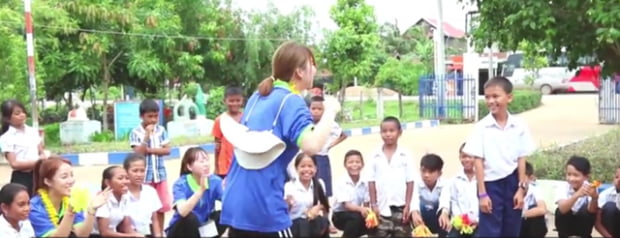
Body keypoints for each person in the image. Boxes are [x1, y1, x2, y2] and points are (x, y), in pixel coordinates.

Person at [219, 41, 340, 238]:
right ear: (300, 71)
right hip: (264, 207)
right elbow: (312, 146)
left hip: (236, 201)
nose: (315, 68)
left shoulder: (258, 96)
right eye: (311, 63)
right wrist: (331, 111)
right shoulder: (291, 102)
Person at [462, 76, 536, 237]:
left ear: (509, 97)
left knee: (511, 230)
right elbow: (478, 161)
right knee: (490, 232)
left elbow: (521, 158)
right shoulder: (481, 127)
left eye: (496, 96)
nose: (490, 101)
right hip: (490, 185)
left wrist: (521, 189)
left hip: (513, 182)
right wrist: (482, 194)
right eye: (487, 97)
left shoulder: (519, 125)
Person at [29, 156, 109, 238]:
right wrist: (70, 212)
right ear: (48, 181)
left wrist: (92, 210)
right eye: (64, 177)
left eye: (72, 175)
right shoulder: (34, 207)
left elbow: (82, 234)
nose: (71, 181)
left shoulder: (71, 200)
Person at [129, 98, 171, 233]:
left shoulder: (161, 130)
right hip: (144, 177)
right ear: (142, 116)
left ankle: (160, 233)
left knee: (161, 207)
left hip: (160, 175)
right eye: (150, 116)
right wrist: (146, 137)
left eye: (156, 116)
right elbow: (138, 154)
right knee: (146, 207)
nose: (153, 120)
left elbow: (167, 150)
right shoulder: (135, 132)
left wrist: (150, 150)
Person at [368, 116, 414, 238]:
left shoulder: (405, 155)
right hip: (381, 208)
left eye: (392, 131)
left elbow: (410, 182)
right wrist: (373, 204)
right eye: (384, 131)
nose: (388, 134)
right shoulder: (375, 155)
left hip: (400, 207)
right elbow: (371, 181)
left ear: (400, 132)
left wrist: (408, 205)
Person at [167, 147, 225, 238]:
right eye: (201, 162)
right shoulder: (180, 184)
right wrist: (201, 189)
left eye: (207, 160)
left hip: (203, 230)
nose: (206, 164)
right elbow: (183, 211)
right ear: (189, 167)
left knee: (223, 214)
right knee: (190, 217)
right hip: (181, 231)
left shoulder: (215, 181)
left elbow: (229, 203)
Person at [0, 99, 47, 195]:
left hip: (38, 175)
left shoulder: (33, 131)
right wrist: (37, 162)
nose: (22, 115)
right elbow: (14, 163)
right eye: (17, 113)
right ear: (8, 118)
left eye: (23, 112)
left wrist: (43, 156)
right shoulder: (6, 138)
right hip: (22, 179)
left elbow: (41, 151)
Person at [308, 95, 347, 197]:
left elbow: (343, 135)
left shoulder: (329, 123)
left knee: (323, 185)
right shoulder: (306, 122)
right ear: (309, 109)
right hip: (307, 157)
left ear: (324, 111)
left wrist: (330, 145)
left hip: (322, 158)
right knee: (308, 185)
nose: (316, 111)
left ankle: (323, 207)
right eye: (313, 108)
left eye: (319, 109)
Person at [284, 153, 330, 238]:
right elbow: (285, 212)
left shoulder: (320, 184)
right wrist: (288, 204)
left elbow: (325, 207)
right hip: (295, 227)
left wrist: (318, 208)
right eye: (303, 166)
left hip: (313, 224)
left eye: (310, 166)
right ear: (296, 168)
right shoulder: (289, 186)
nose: (307, 169)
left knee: (322, 222)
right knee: (303, 223)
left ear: (315, 168)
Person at [555, 155, 598, 238]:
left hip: (582, 228)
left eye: (576, 175)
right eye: (569, 174)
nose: (571, 178)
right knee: (560, 211)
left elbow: (591, 212)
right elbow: (563, 209)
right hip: (566, 226)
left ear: (586, 177)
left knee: (586, 211)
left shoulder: (591, 188)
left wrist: (594, 198)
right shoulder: (563, 187)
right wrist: (576, 195)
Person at [331, 150, 371, 238]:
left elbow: (366, 203)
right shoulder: (341, 182)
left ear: (362, 165)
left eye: (357, 162)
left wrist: (368, 214)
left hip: (357, 213)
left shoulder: (365, 182)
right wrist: (361, 210)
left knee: (372, 222)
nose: (354, 165)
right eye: (350, 162)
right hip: (340, 215)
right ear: (345, 165)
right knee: (356, 219)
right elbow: (347, 205)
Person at [92, 166, 140, 237]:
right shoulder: (103, 199)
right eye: (120, 178)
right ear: (107, 182)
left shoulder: (125, 198)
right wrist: (132, 236)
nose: (125, 181)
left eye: (127, 178)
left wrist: (137, 235)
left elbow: (126, 228)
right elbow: (104, 232)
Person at [410, 153, 449, 238]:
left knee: (443, 213)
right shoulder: (416, 183)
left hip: (437, 219)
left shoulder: (445, 184)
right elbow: (414, 200)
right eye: (423, 171)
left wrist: (444, 213)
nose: (426, 175)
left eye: (431, 172)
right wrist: (414, 212)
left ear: (439, 173)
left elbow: (445, 200)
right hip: (421, 219)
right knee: (415, 211)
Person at [123, 153, 163, 237]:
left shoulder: (150, 191)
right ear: (126, 171)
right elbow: (124, 225)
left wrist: (158, 235)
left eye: (142, 171)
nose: (139, 175)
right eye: (135, 171)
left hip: (147, 233)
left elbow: (154, 220)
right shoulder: (122, 194)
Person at [212, 86, 244, 179]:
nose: (235, 103)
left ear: (242, 100)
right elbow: (217, 146)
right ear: (224, 101)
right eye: (231, 100)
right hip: (225, 167)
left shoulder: (246, 118)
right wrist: (216, 167)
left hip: (242, 164)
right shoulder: (220, 120)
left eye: (238, 100)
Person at [447, 143, 478, 238]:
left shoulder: (483, 179)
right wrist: (461, 220)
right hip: (460, 224)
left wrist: (477, 220)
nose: (467, 160)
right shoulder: (455, 180)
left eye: (470, 156)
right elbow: (454, 201)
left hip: (479, 224)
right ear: (459, 158)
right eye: (464, 156)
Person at [519, 162, 548, 238]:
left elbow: (542, 209)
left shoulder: (535, 190)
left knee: (536, 211)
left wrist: (522, 214)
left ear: (530, 178)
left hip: (529, 226)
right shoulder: (510, 191)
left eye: (522, 177)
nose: (519, 181)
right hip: (517, 226)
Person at [594, 166, 620, 238]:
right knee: (610, 206)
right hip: (612, 232)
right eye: (617, 177)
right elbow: (597, 223)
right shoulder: (605, 194)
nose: (619, 180)